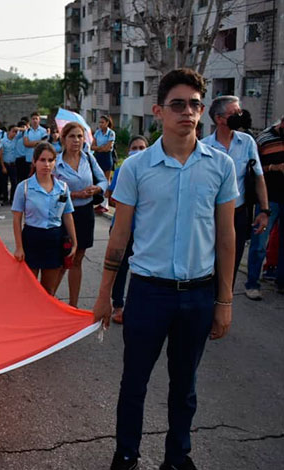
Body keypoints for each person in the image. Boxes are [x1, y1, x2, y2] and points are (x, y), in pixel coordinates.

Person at [92, 68, 237, 470]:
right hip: (148, 293)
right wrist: (105, 297)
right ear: (158, 111)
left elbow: (226, 238)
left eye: (194, 104)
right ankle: (126, 454)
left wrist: (224, 301)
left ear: (203, 110)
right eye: (178, 104)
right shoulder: (137, 168)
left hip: (197, 295)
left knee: (184, 387)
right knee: (134, 383)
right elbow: (119, 238)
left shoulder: (220, 166)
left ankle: (178, 457)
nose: (187, 112)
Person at [201, 95, 269, 286]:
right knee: (205, 264)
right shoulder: (204, 147)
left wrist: (264, 211)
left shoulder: (247, 142)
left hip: (238, 214)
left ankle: (224, 305)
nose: (240, 115)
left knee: (230, 265)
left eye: (240, 111)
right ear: (219, 119)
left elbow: (258, 176)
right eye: (235, 113)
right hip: (209, 215)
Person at [54, 121, 107, 307]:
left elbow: (103, 181)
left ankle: (73, 306)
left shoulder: (89, 159)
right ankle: (47, 302)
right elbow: (49, 190)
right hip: (63, 215)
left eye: (79, 136)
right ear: (63, 139)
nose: (76, 140)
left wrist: (96, 189)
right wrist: (74, 194)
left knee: (77, 260)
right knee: (62, 261)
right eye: (72, 136)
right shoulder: (56, 163)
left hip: (85, 213)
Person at [11, 142, 77, 294]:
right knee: (29, 289)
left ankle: (46, 318)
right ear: (34, 161)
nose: (46, 164)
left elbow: (68, 216)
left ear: (55, 162)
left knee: (49, 290)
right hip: (32, 238)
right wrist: (19, 247)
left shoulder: (63, 188)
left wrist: (74, 242)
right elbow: (16, 219)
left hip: (54, 239)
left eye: (50, 160)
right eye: (42, 160)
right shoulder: (24, 187)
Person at [104, 135, 149, 324]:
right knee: (121, 269)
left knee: (142, 270)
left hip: (145, 231)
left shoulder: (152, 170)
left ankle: (138, 306)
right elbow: (112, 195)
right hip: (123, 227)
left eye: (142, 147)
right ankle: (118, 305)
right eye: (135, 147)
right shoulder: (124, 168)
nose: (138, 151)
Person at [246, 115, 284, 298]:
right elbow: (254, 170)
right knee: (259, 243)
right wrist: (275, 168)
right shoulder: (264, 139)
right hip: (269, 200)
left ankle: (281, 281)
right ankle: (252, 283)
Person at [91, 115, 116, 214]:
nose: (100, 124)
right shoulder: (97, 132)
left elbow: (108, 148)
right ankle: (99, 201)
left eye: (102, 122)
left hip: (106, 157)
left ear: (107, 123)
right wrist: (100, 148)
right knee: (97, 179)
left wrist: (100, 148)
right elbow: (92, 146)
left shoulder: (111, 133)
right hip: (98, 157)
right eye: (99, 122)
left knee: (106, 180)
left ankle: (105, 204)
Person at [17, 112, 48, 184]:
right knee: (28, 180)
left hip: (39, 159)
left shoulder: (43, 131)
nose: (35, 120)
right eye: (33, 119)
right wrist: (38, 142)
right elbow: (26, 144)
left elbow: (43, 144)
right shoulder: (27, 131)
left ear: (39, 120)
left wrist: (32, 143)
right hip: (28, 160)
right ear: (31, 120)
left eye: (36, 119)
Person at [0, 124, 20, 205]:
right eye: (13, 131)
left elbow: (25, 129)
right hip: (5, 163)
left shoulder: (16, 139)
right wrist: (3, 166)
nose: (14, 133)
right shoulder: (3, 141)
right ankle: (5, 198)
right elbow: (1, 155)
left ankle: (12, 199)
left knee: (14, 182)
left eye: (16, 132)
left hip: (13, 164)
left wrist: (17, 128)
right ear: (8, 132)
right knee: (4, 183)